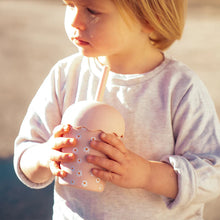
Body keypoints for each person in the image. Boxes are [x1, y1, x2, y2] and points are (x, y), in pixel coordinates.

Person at [14, 0, 220, 219]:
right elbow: (26, 155)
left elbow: (212, 175)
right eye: (70, 5)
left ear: (149, 19)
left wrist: (147, 174)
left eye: (92, 11)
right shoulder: (66, 75)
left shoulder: (179, 88)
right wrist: (46, 156)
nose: (75, 21)